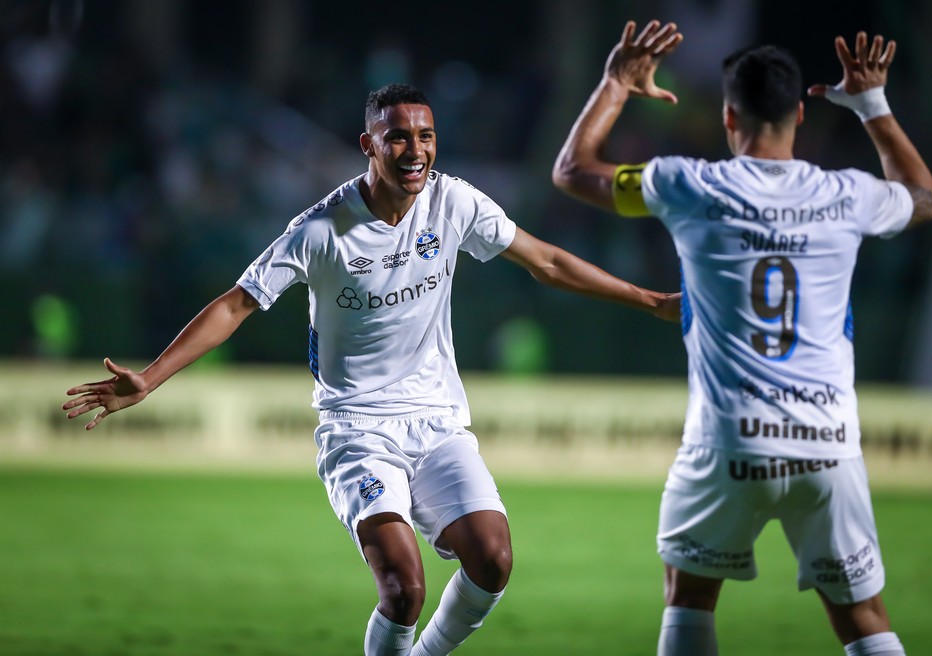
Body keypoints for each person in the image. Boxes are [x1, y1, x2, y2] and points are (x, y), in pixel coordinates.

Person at [63, 82, 681, 656]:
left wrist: (649, 300)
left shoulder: (453, 202)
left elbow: (544, 261)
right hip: (357, 429)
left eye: (426, 136)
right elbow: (236, 303)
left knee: (492, 559)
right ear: (369, 145)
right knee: (404, 589)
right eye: (400, 137)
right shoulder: (321, 229)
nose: (416, 151)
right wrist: (152, 376)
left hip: (437, 423)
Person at [552, 20, 932, 656]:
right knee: (861, 613)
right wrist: (873, 104)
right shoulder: (847, 195)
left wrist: (617, 82)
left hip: (728, 439)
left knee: (689, 596)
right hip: (828, 443)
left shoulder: (689, 185)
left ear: (729, 117)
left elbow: (572, 171)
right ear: (799, 117)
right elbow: (923, 199)